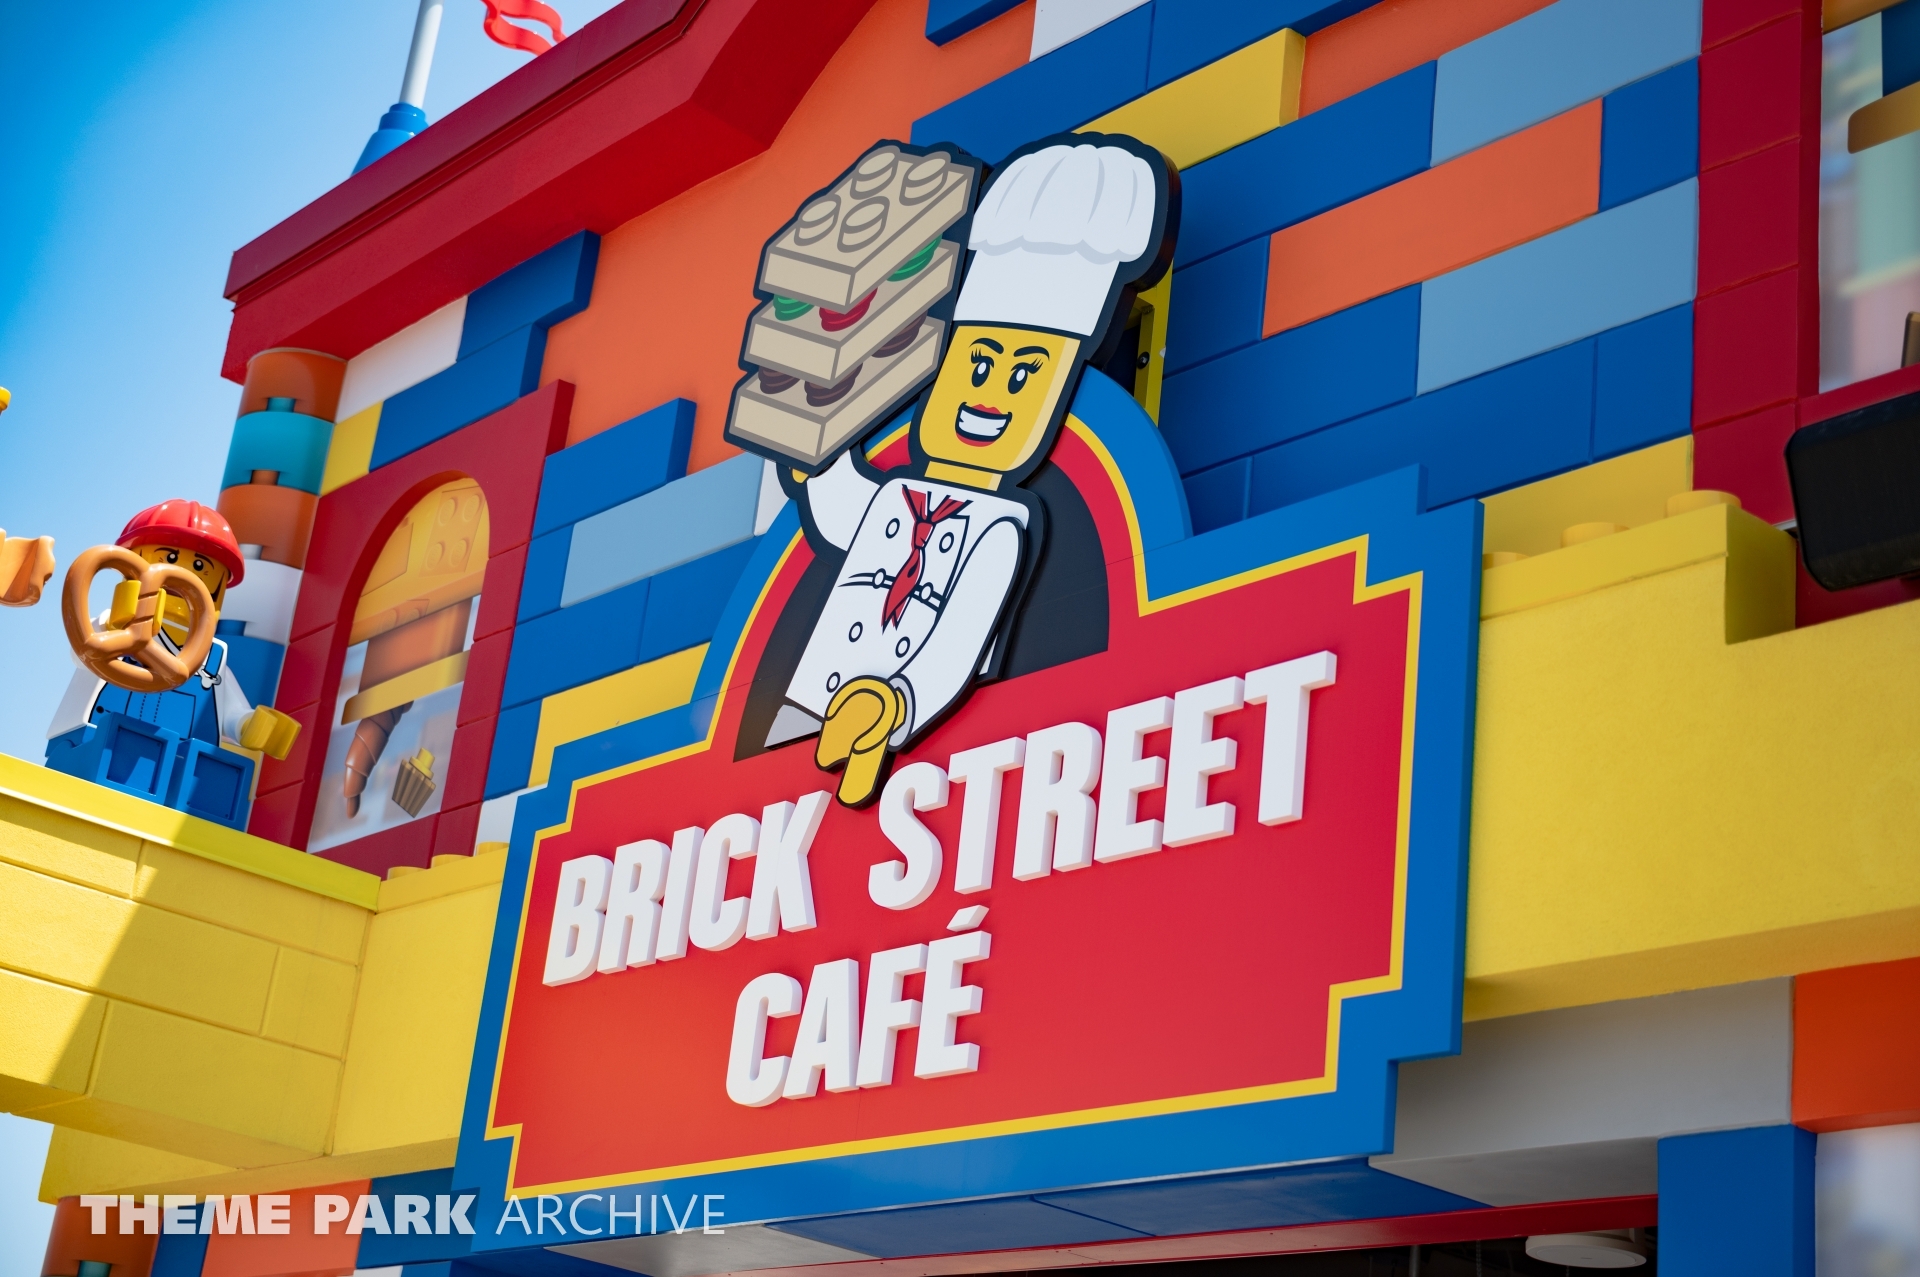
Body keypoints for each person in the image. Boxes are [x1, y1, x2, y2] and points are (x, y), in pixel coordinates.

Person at [772, 137, 1173, 804]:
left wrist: (892, 706)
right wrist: (807, 424)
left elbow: (954, 648)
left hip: (894, 724)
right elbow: (836, 505)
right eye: (978, 365)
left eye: (1024, 377)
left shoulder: (1003, 532)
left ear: (1058, 399)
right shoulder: (893, 496)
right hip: (803, 711)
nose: (990, 396)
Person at [46, 500, 300, 822]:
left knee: (209, 791)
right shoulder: (116, 628)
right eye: (169, 558)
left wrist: (250, 726)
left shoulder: (212, 657)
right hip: (103, 746)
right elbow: (82, 655)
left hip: (185, 772)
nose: (182, 574)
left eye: (200, 567)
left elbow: (231, 712)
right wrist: (120, 626)